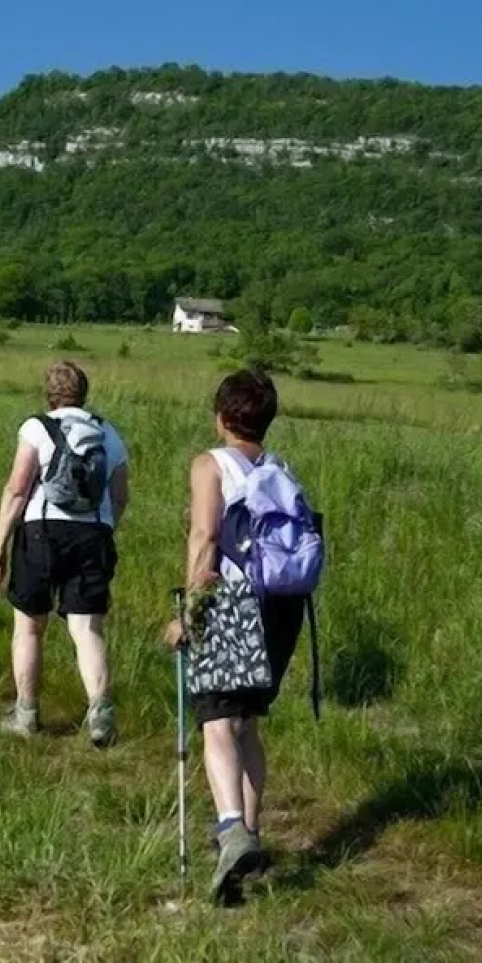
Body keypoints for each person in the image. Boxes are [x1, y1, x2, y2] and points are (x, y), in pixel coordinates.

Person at [166, 369, 311, 903]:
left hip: (232, 602)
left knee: (217, 721)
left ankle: (231, 829)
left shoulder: (211, 463)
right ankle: (251, 837)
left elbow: (205, 538)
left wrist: (189, 612)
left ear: (222, 417)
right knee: (247, 722)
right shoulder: (280, 468)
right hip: (284, 606)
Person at [0, 361, 130, 746]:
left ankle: (27, 713)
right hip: (93, 534)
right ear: (84, 392)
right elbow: (120, 496)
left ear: (48, 393)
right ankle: (100, 713)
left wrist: (0, 543)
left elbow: (18, 489)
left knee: (30, 626)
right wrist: (104, 530)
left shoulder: (36, 428)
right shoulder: (108, 433)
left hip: (42, 531)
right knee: (87, 629)